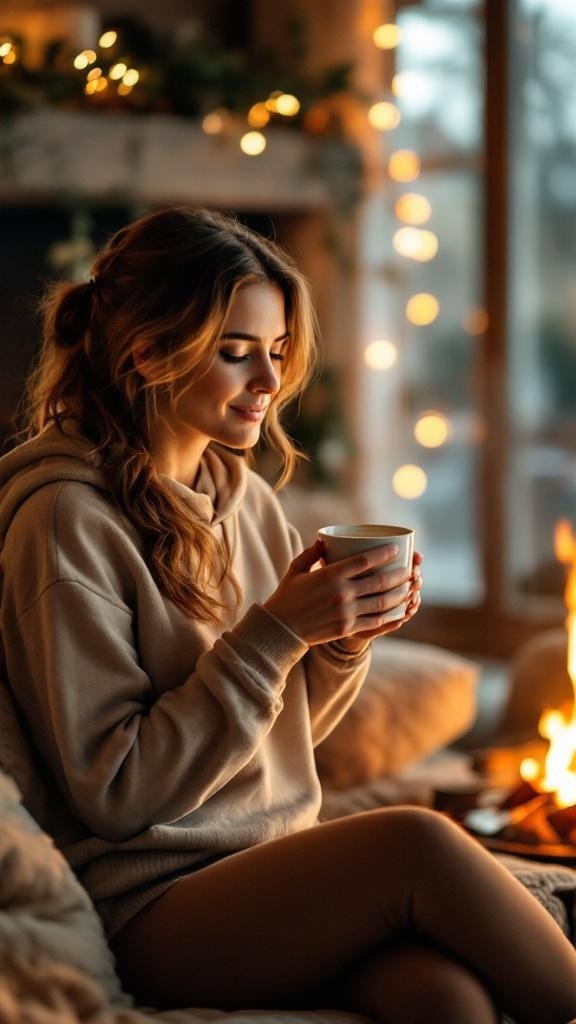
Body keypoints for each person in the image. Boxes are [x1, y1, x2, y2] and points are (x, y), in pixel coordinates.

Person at [0, 206, 575, 1024]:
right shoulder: (65, 522)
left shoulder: (248, 501)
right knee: (418, 844)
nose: (269, 382)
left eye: (274, 353)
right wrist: (276, 635)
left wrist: (340, 645)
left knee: (444, 999)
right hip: (152, 907)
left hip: (274, 866)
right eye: (237, 355)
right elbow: (117, 795)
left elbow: (287, 737)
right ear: (150, 352)